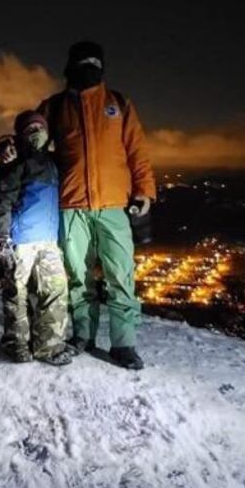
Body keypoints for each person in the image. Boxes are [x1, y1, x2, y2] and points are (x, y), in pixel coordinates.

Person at [36, 41, 156, 370]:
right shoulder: (55, 106)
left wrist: (144, 191)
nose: (89, 67)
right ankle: (83, 335)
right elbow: (32, 140)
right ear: (70, 66)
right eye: (83, 62)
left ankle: (123, 343)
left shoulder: (118, 104)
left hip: (115, 205)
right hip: (71, 204)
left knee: (121, 275)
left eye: (95, 62)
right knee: (78, 275)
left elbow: (137, 152)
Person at [0, 111, 73, 366]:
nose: (36, 132)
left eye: (40, 127)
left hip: (48, 240)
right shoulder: (14, 161)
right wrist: (3, 237)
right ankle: (16, 343)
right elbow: (2, 200)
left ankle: (49, 346)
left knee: (56, 290)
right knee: (16, 292)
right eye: (29, 129)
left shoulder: (53, 161)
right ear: (20, 135)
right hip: (21, 239)